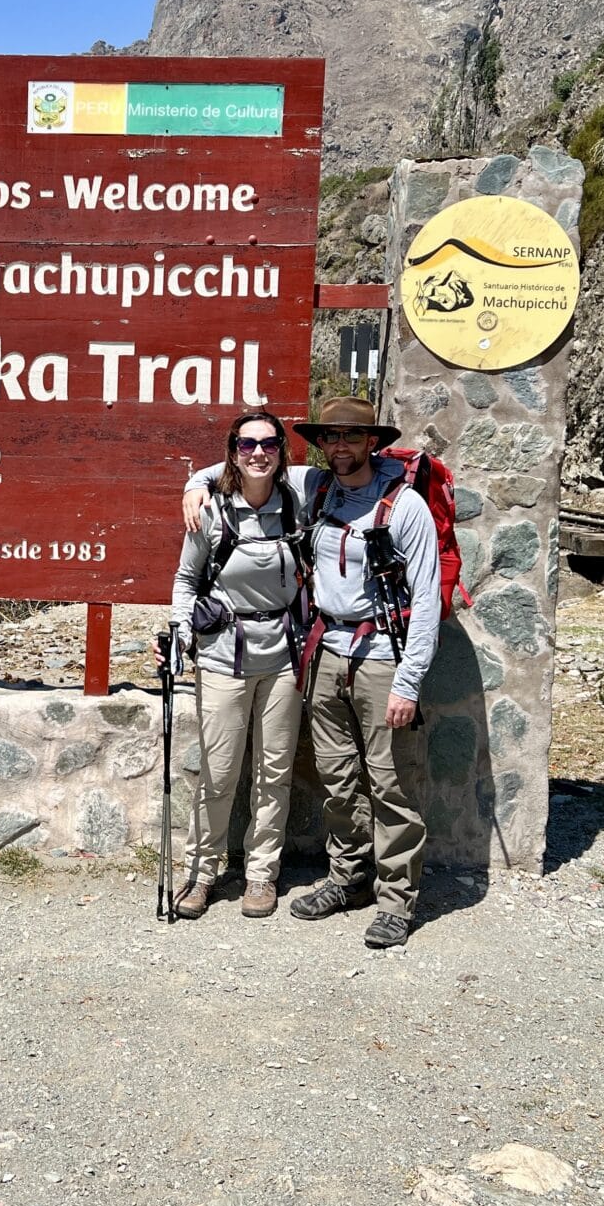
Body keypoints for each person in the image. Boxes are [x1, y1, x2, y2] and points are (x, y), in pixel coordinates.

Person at [182, 397, 440, 948]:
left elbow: (427, 600)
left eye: (353, 436)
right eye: (332, 436)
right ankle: (348, 879)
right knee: (338, 778)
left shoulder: (404, 507)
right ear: (321, 443)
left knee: (389, 782)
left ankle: (396, 900)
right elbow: (241, 463)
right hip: (323, 653)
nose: (341, 445)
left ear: (374, 441)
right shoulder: (316, 486)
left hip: (380, 657)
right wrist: (195, 486)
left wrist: (410, 681)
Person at [166, 411, 307, 920]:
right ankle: (202, 873)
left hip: (285, 657)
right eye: (246, 444)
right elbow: (186, 580)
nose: (258, 453)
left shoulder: (300, 497)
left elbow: (353, 470)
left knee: (275, 771)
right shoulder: (211, 512)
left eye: (269, 443)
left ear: (282, 451)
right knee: (220, 771)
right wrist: (182, 633)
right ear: (232, 451)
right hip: (224, 654)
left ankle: (261, 874)